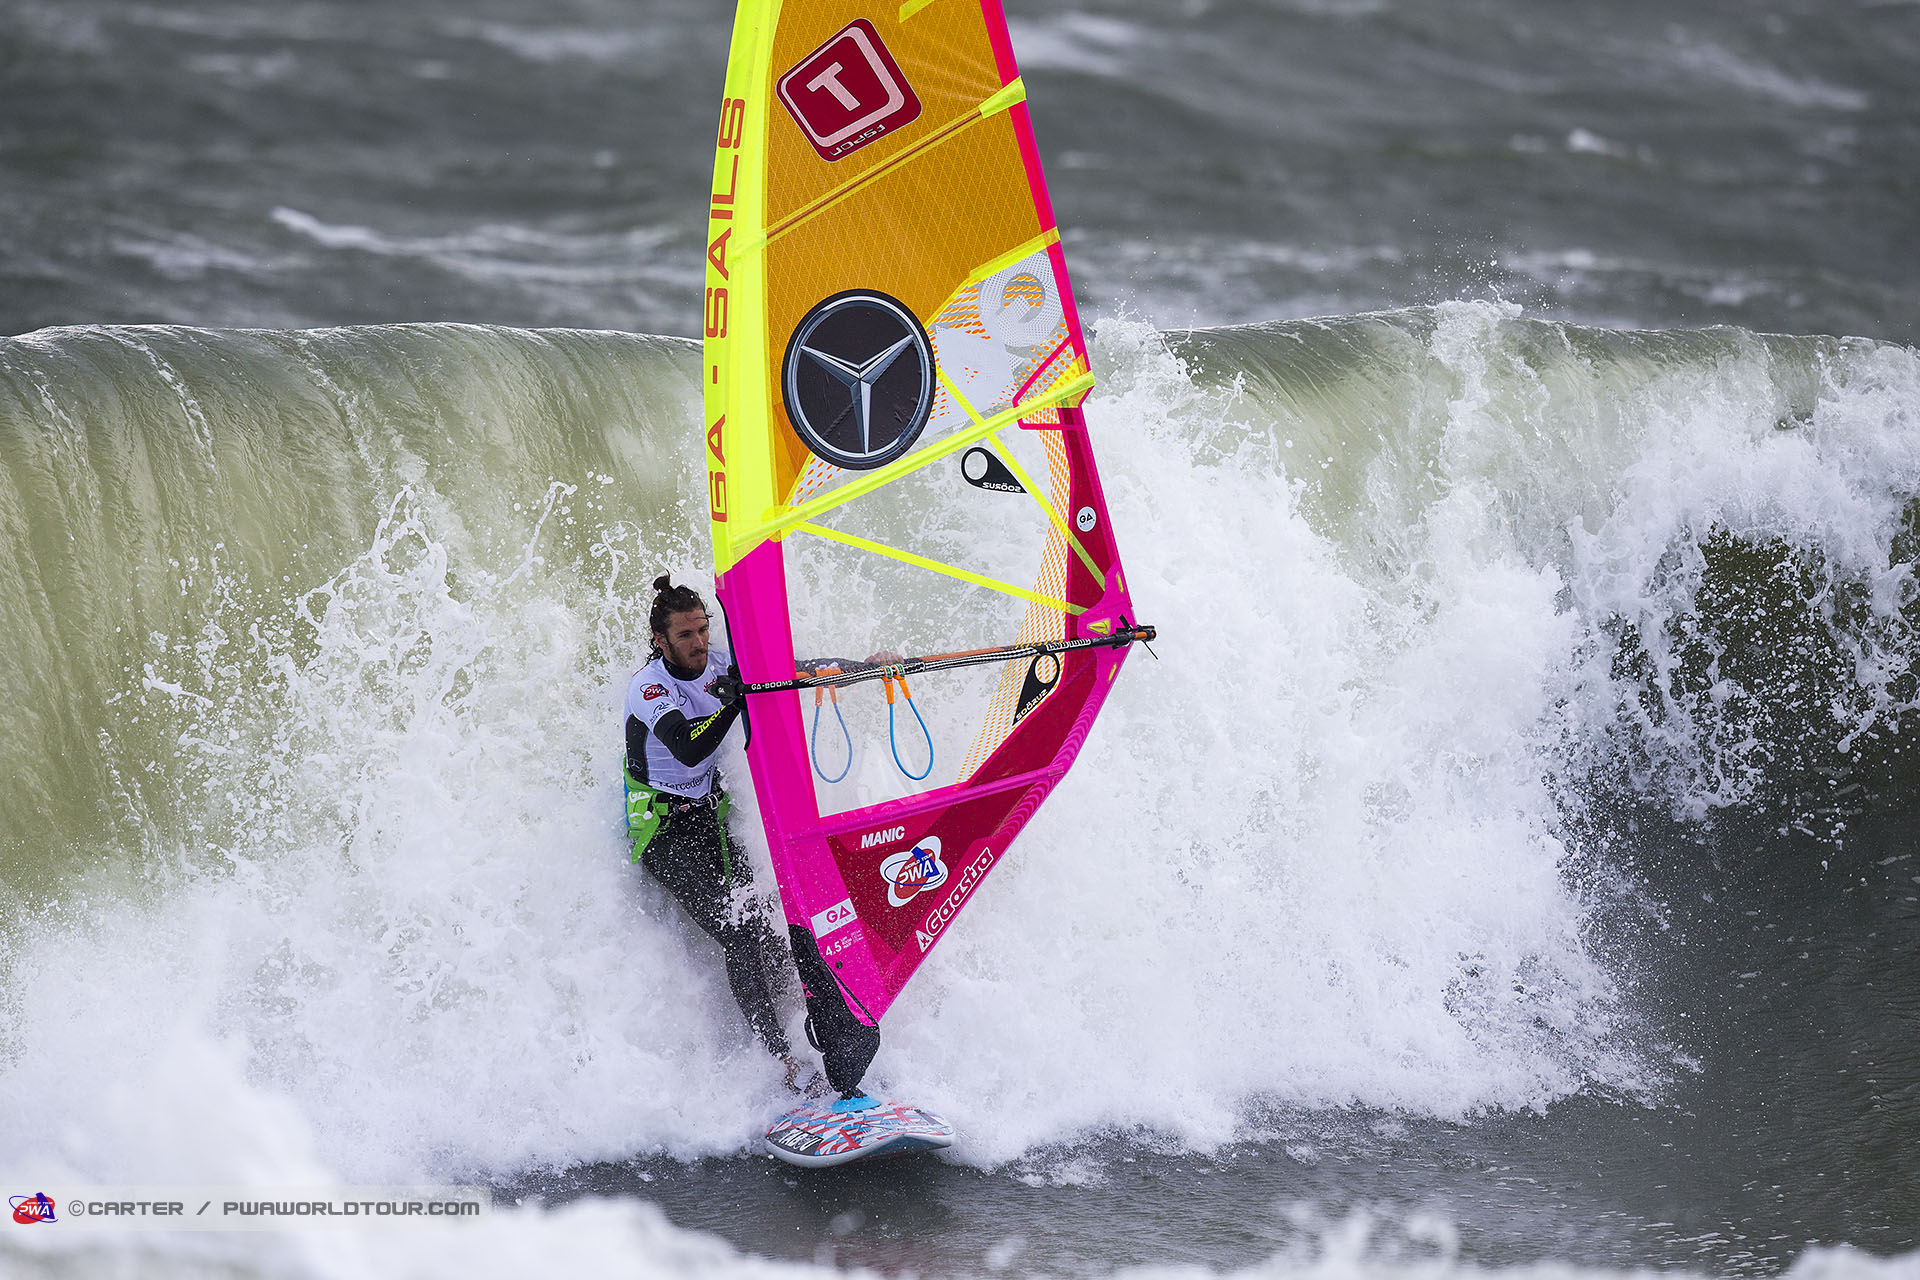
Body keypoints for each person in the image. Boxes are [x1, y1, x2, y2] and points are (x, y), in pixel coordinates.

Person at [623, 573, 901, 1098]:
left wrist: (868, 667)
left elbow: (795, 670)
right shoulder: (650, 688)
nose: (699, 643)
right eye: (684, 636)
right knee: (741, 933)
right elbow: (685, 747)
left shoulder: (723, 662)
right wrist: (734, 701)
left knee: (772, 918)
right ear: (661, 641)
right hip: (660, 827)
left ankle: (822, 1037)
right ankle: (780, 1063)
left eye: (702, 629)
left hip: (710, 815)